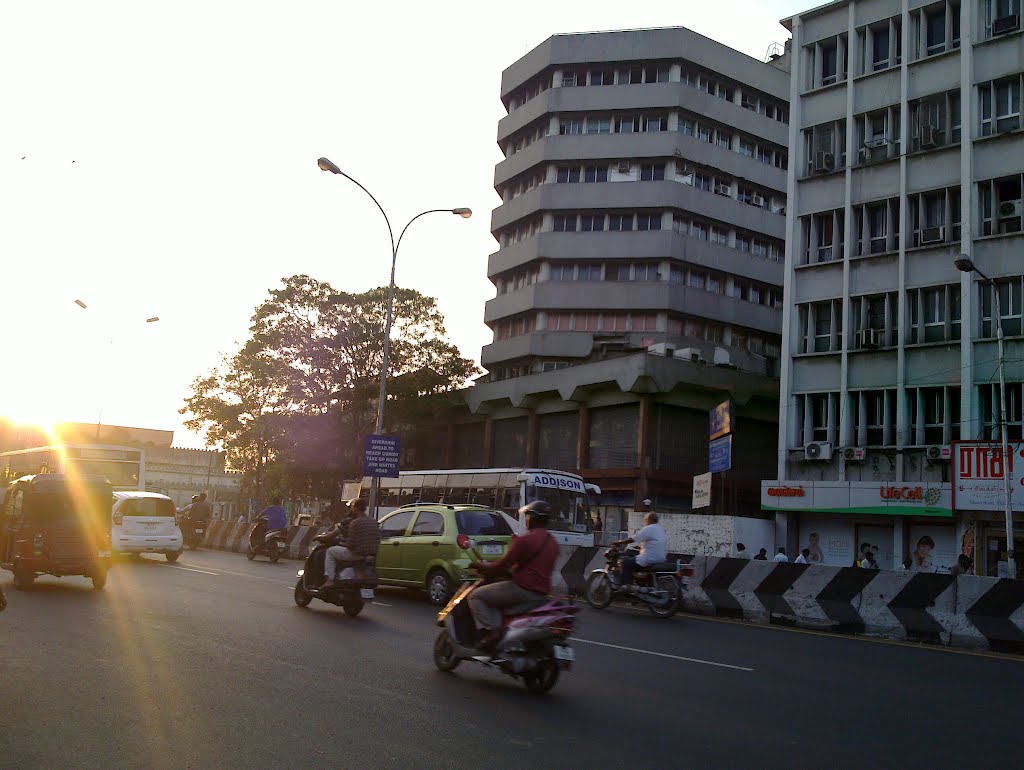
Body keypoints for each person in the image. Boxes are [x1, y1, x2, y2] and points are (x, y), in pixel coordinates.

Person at [468, 501, 560, 651]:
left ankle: (491, 632)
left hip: (522, 589)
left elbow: (502, 565)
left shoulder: (526, 540)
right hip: (542, 594)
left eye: (528, 516)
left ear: (533, 518)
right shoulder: (553, 543)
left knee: (476, 596)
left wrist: (482, 567)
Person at [321, 499, 381, 588]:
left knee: (330, 551)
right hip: (370, 555)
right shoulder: (373, 521)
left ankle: (330, 580)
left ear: (356, 509)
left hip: (356, 554)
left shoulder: (354, 522)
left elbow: (350, 544)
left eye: (352, 508)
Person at [612, 511, 668, 588]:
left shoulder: (649, 528)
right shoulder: (660, 529)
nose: (645, 522)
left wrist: (620, 542)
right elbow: (652, 542)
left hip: (650, 558)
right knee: (635, 560)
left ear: (650, 520)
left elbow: (633, 539)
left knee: (625, 563)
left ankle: (627, 585)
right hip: (661, 558)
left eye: (646, 520)